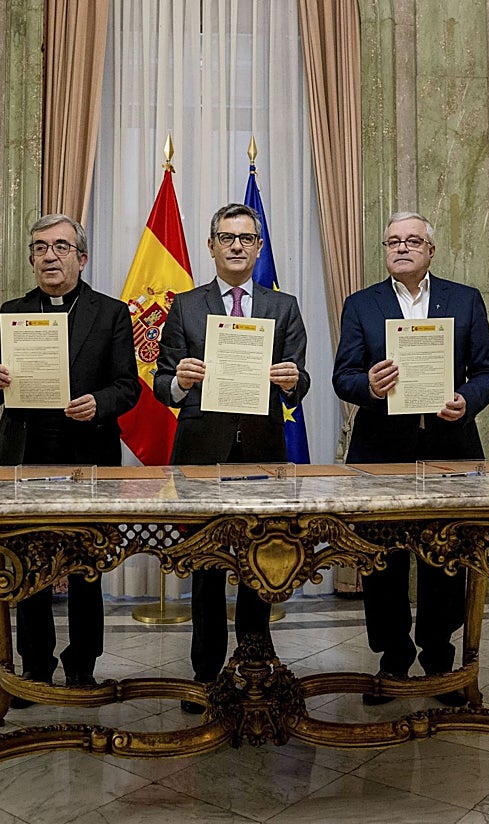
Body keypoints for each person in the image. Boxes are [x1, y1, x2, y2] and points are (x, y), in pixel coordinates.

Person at [332, 211, 489, 707]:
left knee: (446, 556)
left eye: (412, 241)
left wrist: (466, 400)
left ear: (431, 250)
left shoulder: (464, 300)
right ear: (384, 251)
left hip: (449, 448)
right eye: (392, 241)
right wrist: (369, 385)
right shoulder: (362, 304)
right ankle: (392, 658)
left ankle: (438, 657)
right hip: (382, 451)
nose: (401, 248)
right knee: (381, 559)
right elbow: (344, 376)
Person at [0, 213, 139, 703]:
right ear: (31, 258)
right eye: (40, 247)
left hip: (87, 453)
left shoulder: (110, 313)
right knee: (29, 565)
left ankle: (83, 664)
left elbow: (128, 388)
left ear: (81, 259)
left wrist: (99, 404)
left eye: (61, 247)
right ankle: (36, 665)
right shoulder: (14, 311)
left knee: (87, 566)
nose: (49, 255)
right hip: (26, 455)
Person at [153, 203, 310, 712]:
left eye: (246, 237)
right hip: (202, 451)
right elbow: (161, 382)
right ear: (212, 245)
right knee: (206, 566)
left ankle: (254, 667)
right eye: (227, 237)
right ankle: (204, 675)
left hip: (263, 450)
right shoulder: (186, 306)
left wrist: (292, 382)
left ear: (259, 247)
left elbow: (300, 381)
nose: (237, 245)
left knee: (259, 563)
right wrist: (181, 381)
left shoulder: (282, 307)